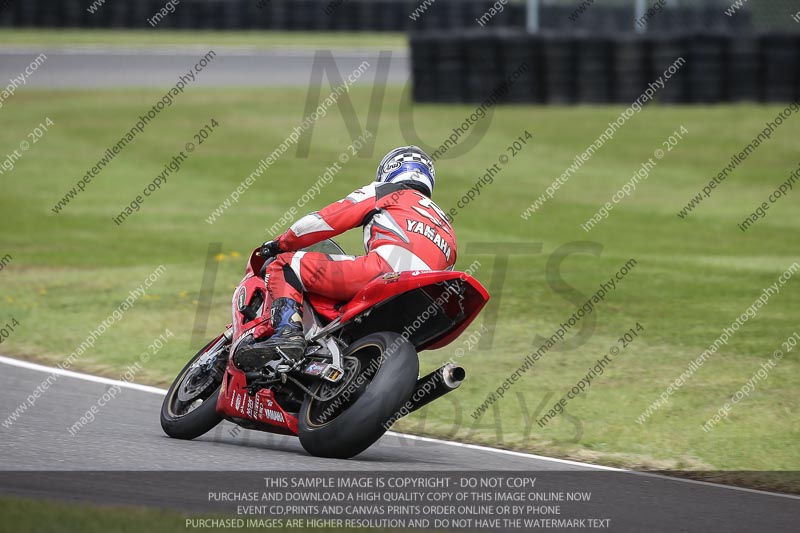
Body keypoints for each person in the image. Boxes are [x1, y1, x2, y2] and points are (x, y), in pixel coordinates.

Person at [234, 146, 457, 370]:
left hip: (382, 273)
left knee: (284, 265)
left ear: (390, 170)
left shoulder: (388, 190)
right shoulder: (447, 226)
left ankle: (287, 334)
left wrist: (281, 243)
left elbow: (327, 220)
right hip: (423, 302)